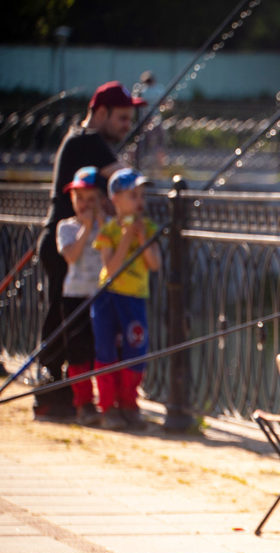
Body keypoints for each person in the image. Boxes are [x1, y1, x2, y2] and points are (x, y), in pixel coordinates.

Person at [33, 81, 143, 421]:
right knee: (66, 323)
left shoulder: (77, 138)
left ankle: (62, 396)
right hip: (69, 244)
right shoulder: (89, 140)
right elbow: (123, 182)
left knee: (66, 321)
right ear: (101, 113)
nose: (128, 126)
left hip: (68, 242)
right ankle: (53, 396)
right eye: (122, 118)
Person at [92, 167, 161, 431]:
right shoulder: (108, 230)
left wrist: (142, 236)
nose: (140, 202)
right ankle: (108, 406)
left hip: (135, 297)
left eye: (142, 195)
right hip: (108, 297)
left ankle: (129, 403)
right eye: (133, 195)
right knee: (106, 349)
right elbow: (111, 269)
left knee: (136, 349)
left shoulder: (149, 227)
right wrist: (126, 237)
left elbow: (154, 264)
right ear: (116, 199)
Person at [54, 166, 106, 425]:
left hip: (102, 296)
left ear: (101, 200)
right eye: (79, 199)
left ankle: (106, 401)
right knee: (78, 351)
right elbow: (71, 256)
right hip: (74, 295)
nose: (84, 205)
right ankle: (83, 402)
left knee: (103, 350)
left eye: (91, 199)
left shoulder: (108, 227)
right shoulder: (66, 227)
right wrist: (86, 229)